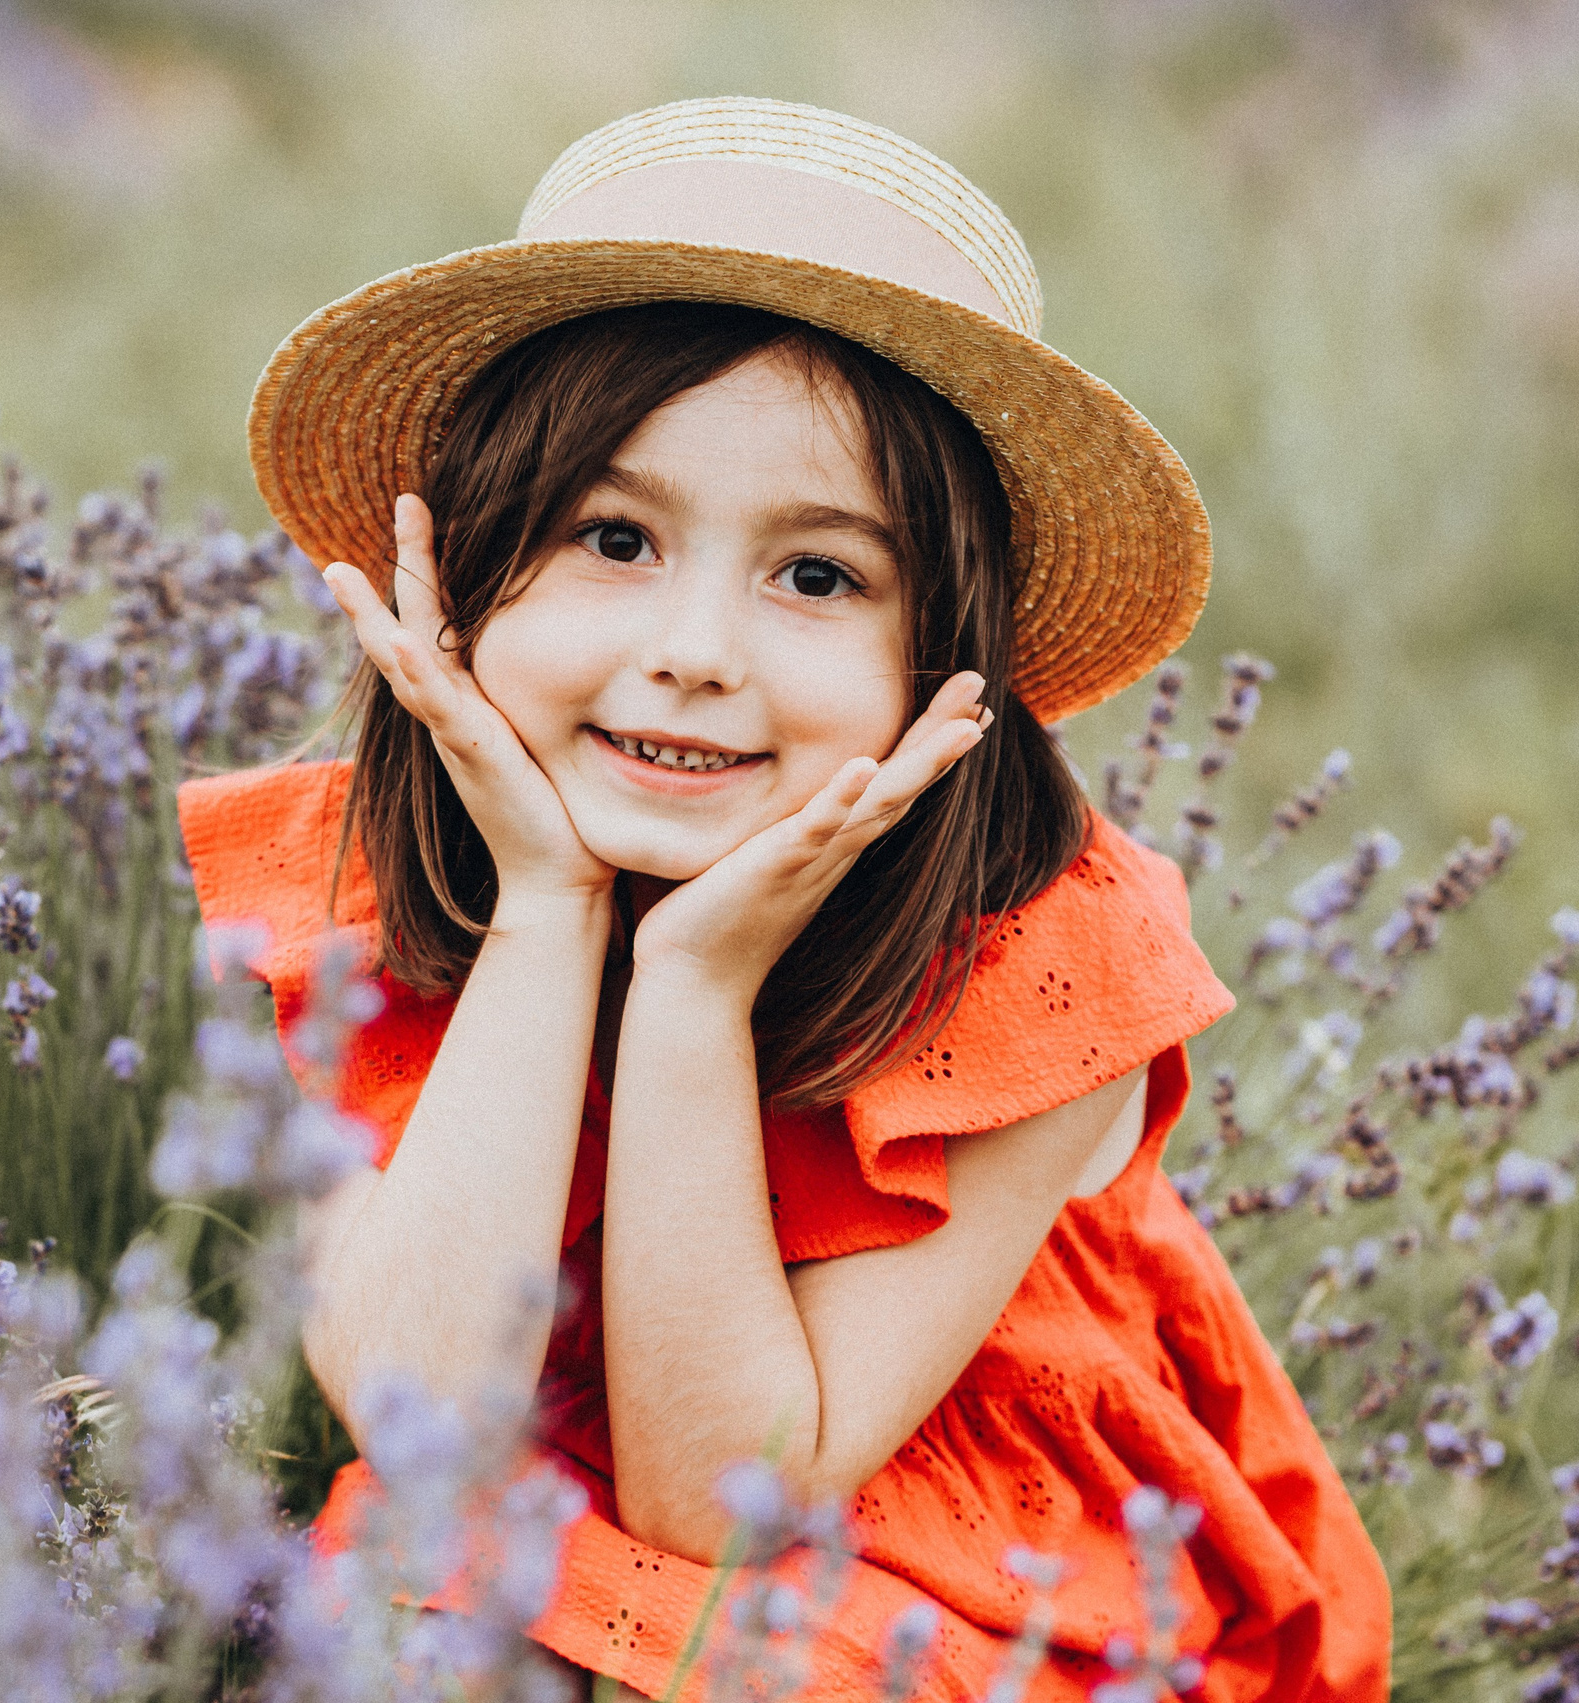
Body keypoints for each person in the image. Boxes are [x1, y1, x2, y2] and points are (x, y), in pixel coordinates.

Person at [176, 98, 1391, 1700]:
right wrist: (546, 910)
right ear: (463, 576)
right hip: (571, 1497)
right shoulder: (348, 897)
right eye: (614, 536)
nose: (696, 650)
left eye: (818, 575)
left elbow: (724, 1504)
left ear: (946, 658)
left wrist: (689, 994)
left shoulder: (1041, 949)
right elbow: (427, 1424)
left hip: (957, 1563)